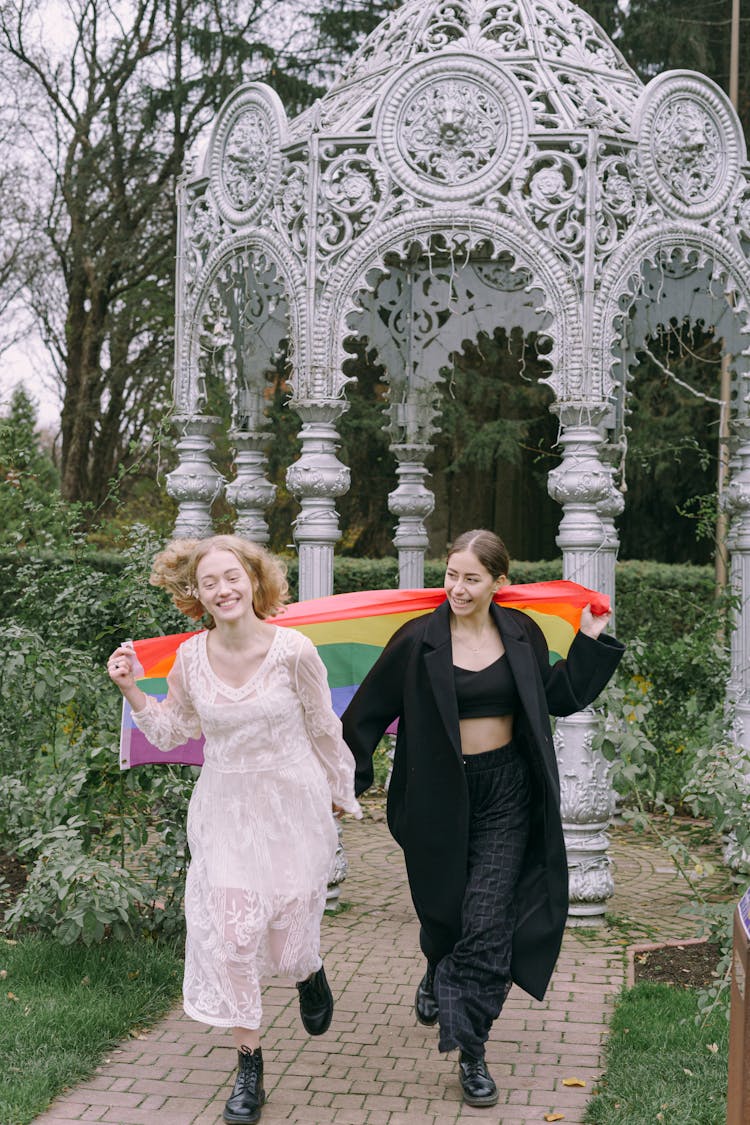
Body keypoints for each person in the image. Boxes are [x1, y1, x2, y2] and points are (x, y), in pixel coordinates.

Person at [341, 529, 624, 1108]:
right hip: (436, 796)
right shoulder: (417, 640)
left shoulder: (520, 633)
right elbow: (364, 717)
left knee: (489, 918)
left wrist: (591, 640)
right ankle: (438, 964)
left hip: (506, 793)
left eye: (472, 578)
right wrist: (345, 784)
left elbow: (560, 695)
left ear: (500, 582)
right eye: (451, 575)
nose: (457, 588)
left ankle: (471, 1050)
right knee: (446, 914)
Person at [107, 535, 362, 1125]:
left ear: (254, 580)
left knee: (288, 937)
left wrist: (340, 790)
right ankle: (249, 1066)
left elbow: (324, 726)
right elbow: (172, 732)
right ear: (195, 593)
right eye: (208, 582)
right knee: (235, 934)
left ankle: (308, 970)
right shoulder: (191, 659)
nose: (222, 590)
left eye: (232, 577)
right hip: (225, 807)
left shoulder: (295, 651)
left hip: (292, 804)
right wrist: (131, 688)